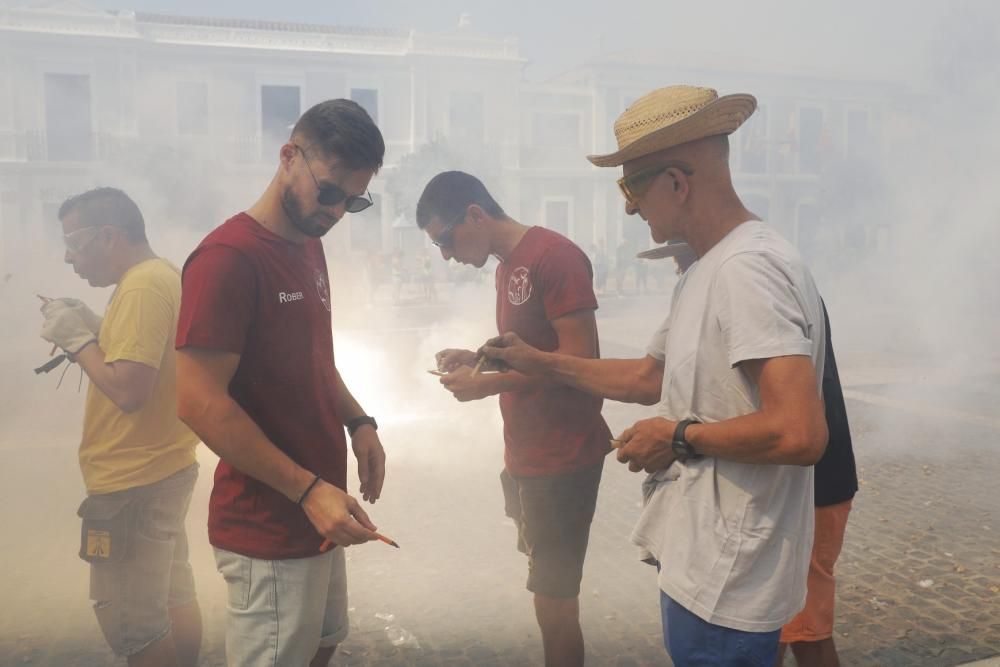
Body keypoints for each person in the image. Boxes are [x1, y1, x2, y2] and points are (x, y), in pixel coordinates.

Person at [480, 85, 829, 666]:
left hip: (731, 579)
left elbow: (799, 432)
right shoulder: (704, 267)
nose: (629, 207)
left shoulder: (747, 269)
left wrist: (676, 437)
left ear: (676, 181)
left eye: (631, 186)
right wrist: (541, 362)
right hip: (701, 559)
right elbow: (647, 377)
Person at [174, 99, 388, 667]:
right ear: (289, 157)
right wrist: (306, 489)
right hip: (268, 527)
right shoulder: (227, 258)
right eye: (331, 192)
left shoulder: (308, 242)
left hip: (317, 514)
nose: (338, 212)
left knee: (323, 645)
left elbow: (313, 358)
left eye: (355, 201)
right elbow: (197, 401)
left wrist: (358, 420)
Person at [417, 171, 612, 667]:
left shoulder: (554, 256)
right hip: (525, 453)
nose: (445, 254)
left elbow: (579, 359)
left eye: (445, 239)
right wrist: (480, 358)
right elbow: (531, 352)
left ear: (476, 215)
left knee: (554, 602)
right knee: (545, 594)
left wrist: (488, 384)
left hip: (563, 456)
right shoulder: (507, 266)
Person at [39, 187, 202, 667]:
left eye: (74, 244)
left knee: (132, 621)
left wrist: (77, 338)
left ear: (107, 237)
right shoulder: (162, 276)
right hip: (163, 468)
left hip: (133, 481)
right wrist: (95, 327)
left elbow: (129, 390)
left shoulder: (140, 287)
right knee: (172, 596)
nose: (69, 259)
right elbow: (145, 358)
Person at [777, 302, 858, 667]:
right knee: (775, 629)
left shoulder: (762, 281)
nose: (679, 270)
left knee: (806, 632)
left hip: (811, 487)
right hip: (802, 483)